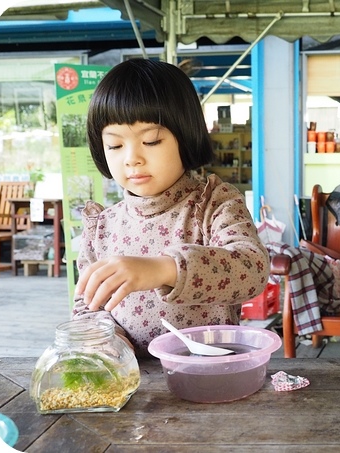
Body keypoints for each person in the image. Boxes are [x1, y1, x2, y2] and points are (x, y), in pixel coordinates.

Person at [72, 59, 270, 356]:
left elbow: (252, 270)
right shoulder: (102, 225)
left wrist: (165, 269)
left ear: (185, 135)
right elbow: (86, 305)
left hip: (208, 376)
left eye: (151, 141)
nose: (132, 158)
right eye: (115, 145)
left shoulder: (214, 204)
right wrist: (111, 339)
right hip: (132, 382)